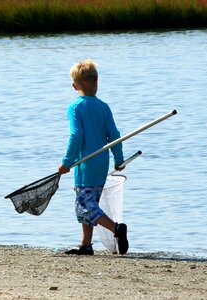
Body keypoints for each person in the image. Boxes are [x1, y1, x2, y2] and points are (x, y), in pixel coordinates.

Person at [58, 59, 129, 255]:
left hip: (85, 165)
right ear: (96, 81)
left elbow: (76, 135)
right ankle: (86, 244)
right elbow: (114, 135)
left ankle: (116, 229)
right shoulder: (103, 107)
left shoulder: (75, 108)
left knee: (85, 206)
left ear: (74, 86)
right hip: (101, 164)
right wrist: (118, 159)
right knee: (90, 204)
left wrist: (66, 162)